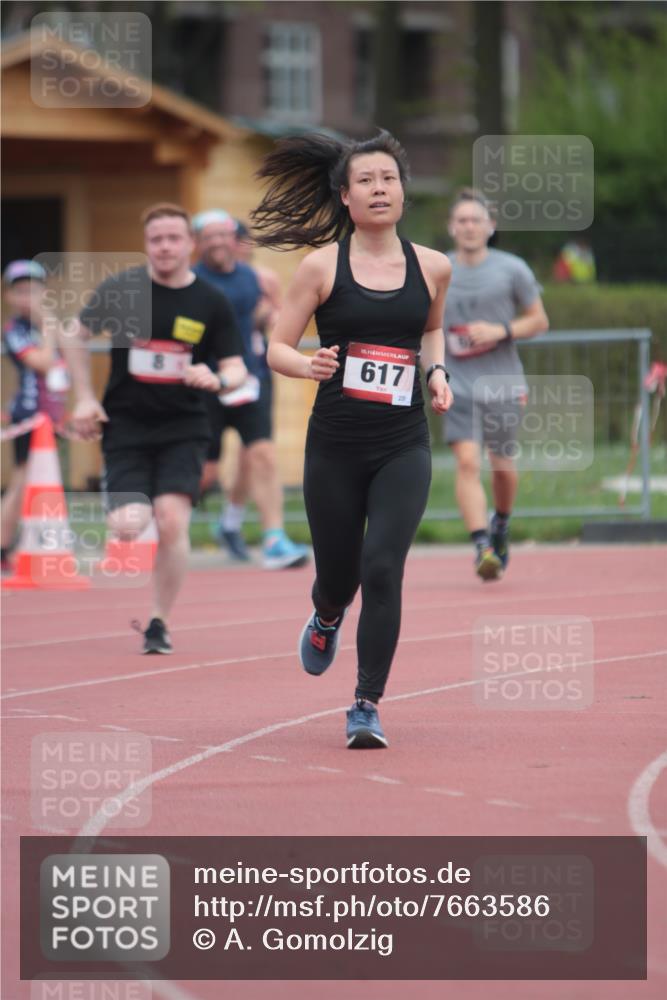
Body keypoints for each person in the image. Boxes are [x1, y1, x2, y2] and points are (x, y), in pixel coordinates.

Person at [253, 130, 453, 749]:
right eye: (365, 181)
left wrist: (438, 371)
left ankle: (365, 703)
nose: (378, 189)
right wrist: (304, 364)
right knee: (339, 576)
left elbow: (433, 330)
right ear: (345, 196)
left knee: (384, 568)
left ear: (403, 191)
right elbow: (276, 346)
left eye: (388, 179)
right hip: (335, 445)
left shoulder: (432, 265)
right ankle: (326, 614)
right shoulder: (321, 266)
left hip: (403, 443)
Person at [62, 203, 246, 653]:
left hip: (185, 426)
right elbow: (72, 333)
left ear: (190, 244)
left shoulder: (210, 301)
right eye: (156, 240)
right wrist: (84, 396)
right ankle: (124, 517)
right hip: (126, 425)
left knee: (171, 521)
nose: (164, 247)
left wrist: (217, 379)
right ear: (147, 245)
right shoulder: (125, 290)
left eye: (173, 238)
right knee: (130, 524)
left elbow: (237, 368)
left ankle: (159, 621)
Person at [192, 209, 308, 569]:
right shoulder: (190, 280)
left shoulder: (257, 279)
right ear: (197, 244)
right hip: (204, 382)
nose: (218, 243)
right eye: (208, 237)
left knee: (261, 455)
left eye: (223, 236)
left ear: (234, 240)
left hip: (249, 377)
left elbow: (275, 317)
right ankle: (159, 523)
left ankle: (274, 538)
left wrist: (270, 319)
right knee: (205, 473)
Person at [443, 188, 549, 580]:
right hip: (456, 384)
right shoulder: (439, 269)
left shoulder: (513, 269)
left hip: (502, 383)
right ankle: (481, 547)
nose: (469, 227)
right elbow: (425, 324)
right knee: (467, 463)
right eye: (463, 220)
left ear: (490, 227)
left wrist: (499, 330)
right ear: (452, 227)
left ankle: (500, 523)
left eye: (476, 220)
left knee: (502, 465)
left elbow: (539, 320)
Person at [1, 260, 69, 571]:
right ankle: (3, 543)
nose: (28, 297)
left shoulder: (51, 325)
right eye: (21, 291)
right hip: (29, 415)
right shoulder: (15, 330)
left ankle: (21, 544)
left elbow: (69, 360)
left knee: (39, 483)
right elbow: (42, 362)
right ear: (10, 296)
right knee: (22, 481)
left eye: (34, 290)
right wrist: (48, 329)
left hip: (51, 415)